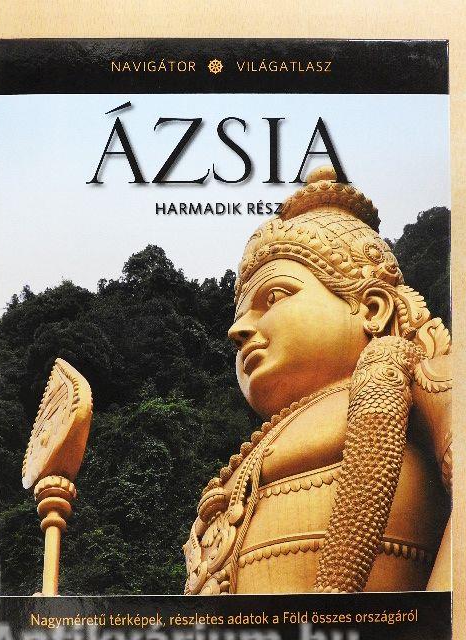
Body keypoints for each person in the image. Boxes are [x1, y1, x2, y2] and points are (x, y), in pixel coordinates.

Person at [183, 166, 451, 595]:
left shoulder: (418, 378)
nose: (238, 330)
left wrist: (439, 615)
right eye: (240, 315)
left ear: (373, 309)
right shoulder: (258, 447)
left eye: (273, 297)